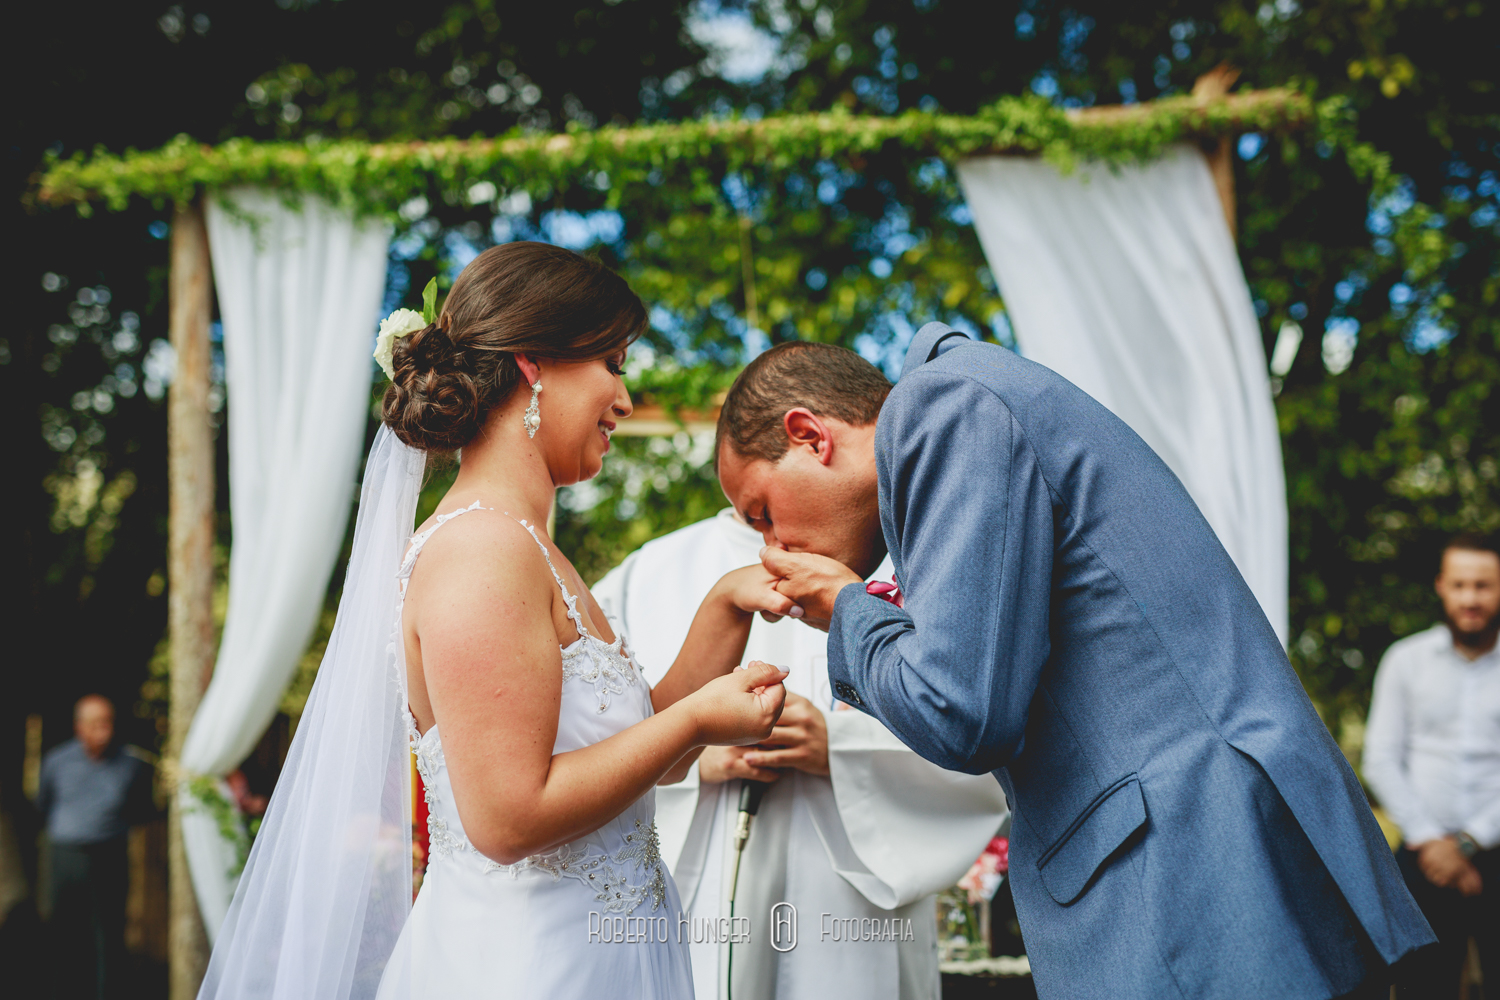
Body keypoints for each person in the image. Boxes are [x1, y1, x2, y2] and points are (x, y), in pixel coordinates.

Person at [720, 328, 1435, 999]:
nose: (771, 542)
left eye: (760, 511)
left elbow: (962, 714)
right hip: (1215, 864)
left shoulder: (941, 407)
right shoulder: (973, 402)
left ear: (810, 436)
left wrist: (852, 611)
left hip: (1196, 875)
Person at [199, 242, 795, 1000]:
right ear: (534, 363)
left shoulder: (531, 547)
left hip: (602, 957)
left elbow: (641, 757)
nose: (625, 399)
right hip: (529, 968)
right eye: (612, 363)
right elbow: (509, 817)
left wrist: (726, 603)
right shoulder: (481, 551)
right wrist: (696, 722)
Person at [594, 508, 1010, 1000]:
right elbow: (589, 749)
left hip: (852, 922)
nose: (772, 539)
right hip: (699, 904)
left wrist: (838, 748)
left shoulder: (898, 566)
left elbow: (979, 738)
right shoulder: (649, 572)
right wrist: (688, 758)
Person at [1364, 533, 1500, 997]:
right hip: (1423, 857)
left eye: (1483, 586)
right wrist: (1433, 843)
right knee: (1424, 989)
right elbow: (1381, 759)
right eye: (1460, 584)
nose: (1470, 598)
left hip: (1495, 849)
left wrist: (1468, 843)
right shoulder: (1405, 660)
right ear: (1441, 585)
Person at [36, 694, 154, 999]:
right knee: (64, 934)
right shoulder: (56, 762)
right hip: (66, 857)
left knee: (109, 935)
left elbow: (141, 810)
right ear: (79, 727)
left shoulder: (131, 764)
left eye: (107, 722)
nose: (102, 730)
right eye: (94, 724)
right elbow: (43, 807)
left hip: (109, 855)